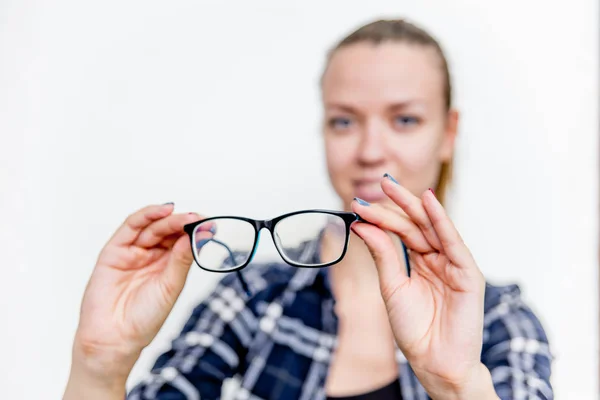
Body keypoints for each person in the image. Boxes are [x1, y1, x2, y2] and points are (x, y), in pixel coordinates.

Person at [63, 19, 553, 400]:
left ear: (448, 133)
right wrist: (99, 366)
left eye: (404, 119)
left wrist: (459, 385)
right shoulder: (253, 299)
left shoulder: (501, 322)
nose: (369, 150)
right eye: (344, 121)